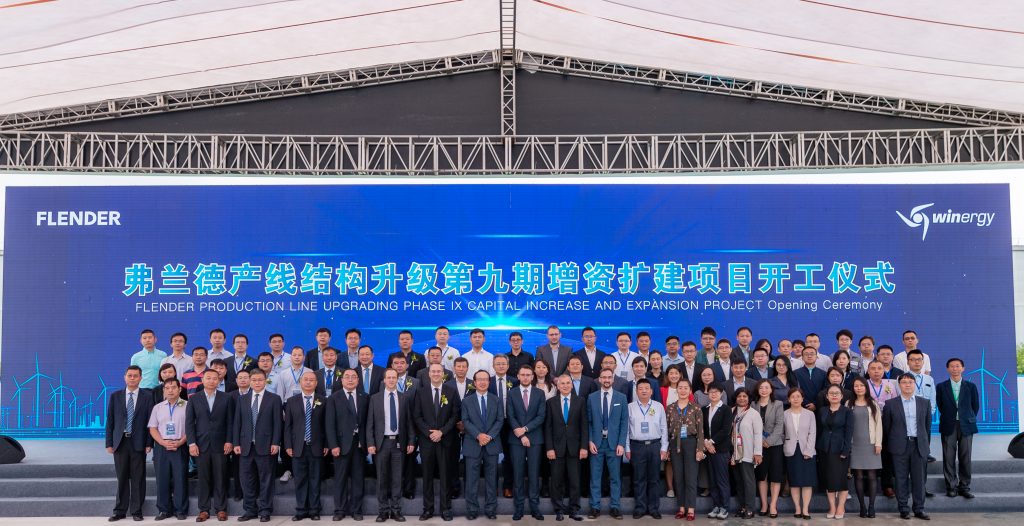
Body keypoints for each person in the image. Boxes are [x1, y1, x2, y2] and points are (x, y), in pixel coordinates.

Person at [232, 369, 283, 522]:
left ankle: (265, 510)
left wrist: (276, 442)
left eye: (260, 380)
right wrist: (236, 443)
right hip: (246, 446)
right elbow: (237, 423)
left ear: (265, 380)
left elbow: (277, 423)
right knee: (246, 480)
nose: (257, 383)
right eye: (254, 380)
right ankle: (250, 510)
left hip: (266, 446)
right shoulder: (242, 399)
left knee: (266, 480)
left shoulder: (274, 399)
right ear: (249, 381)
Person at [106, 365, 155, 522]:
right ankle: (119, 510)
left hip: (139, 443)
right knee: (122, 477)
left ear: (141, 378)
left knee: (138, 477)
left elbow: (150, 422)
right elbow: (110, 421)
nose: (132, 378)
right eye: (130, 375)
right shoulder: (115, 396)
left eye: (135, 376)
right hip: (120, 442)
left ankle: (136, 510)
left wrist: (149, 443)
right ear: (124, 377)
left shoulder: (147, 397)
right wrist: (109, 443)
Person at [412, 364, 460, 522]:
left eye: (439, 371)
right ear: (428, 373)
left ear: (444, 374)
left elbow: (455, 415)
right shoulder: (420, 392)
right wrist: (429, 433)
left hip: (445, 440)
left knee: (445, 476)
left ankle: (446, 509)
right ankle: (428, 509)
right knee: (427, 477)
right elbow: (417, 416)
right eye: (433, 371)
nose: (436, 374)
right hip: (427, 442)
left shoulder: (451, 392)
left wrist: (442, 432)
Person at [366, 368, 414, 523]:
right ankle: (382, 511)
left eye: (394, 377)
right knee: (382, 478)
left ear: (397, 380)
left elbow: (409, 423)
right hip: (381, 443)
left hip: (399, 443)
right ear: (384, 380)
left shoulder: (404, 398)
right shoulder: (375, 398)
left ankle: (396, 510)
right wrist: (371, 443)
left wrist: (412, 441)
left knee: (397, 479)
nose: (392, 380)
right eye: (389, 377)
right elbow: (370, 424)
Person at [883, 374, 932, 520]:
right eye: (904, 382)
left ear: (915, 384)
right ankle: (903, 508)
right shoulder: (891, 403)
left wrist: (925, 444)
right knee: (901, 478)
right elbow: (887, 427)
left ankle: (919, 509)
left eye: (910, 382)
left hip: (918, 446)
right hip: (899, 447)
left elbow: (927, 426)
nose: (907, 385)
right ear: (899, 385)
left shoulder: (924, 402)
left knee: (919, 480)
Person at [186, 369, 233, 522]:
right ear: (203, 380)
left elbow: (230, 422)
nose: (212, 380)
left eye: (215, 378)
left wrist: (229, 440)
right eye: (208, 378)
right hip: (201, 444)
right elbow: (189, 423)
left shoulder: (226, 398)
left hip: (221, 444)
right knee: (203, 478)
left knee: (220, 477)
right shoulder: (194, 399)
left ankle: (221, 509)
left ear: (219, 381)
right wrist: (192, 443)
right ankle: (204, 510)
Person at [326, 369, 369, 520]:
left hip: (359, 445)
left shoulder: (364, 397)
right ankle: (339, 510)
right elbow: (329, 424)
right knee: (340, 479)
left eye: (353, 377)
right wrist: (333, 445)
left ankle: (357, 510)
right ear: (342, 380)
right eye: (347, 377)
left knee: (358, 479)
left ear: (358, 380)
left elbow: (367, 423)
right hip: (341, 445)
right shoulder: (333, 398)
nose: (350, 380)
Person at [284, 370, 327, 521]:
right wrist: (288, 445)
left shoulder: (323, 400)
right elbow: (288, 426)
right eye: (305, 380)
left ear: (316, 383)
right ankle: (301, 510)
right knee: (300, 480)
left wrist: (326, 444)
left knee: (315, 479)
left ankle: (314, 510)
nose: (308, 382)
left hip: (317, 446)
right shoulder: (291, 401)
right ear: (300, 383)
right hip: (298, 447)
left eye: (311, 380)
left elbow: (326, 425)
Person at [545, 374, 588, 521]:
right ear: (557, 386)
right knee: (556, 481)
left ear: (572, 385)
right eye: (562, 383)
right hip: (556, 449)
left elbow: (584, 426)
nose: (564, 385)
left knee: (575, 481)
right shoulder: (550, 402)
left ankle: (574, 510)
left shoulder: (580, 401)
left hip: (575, 448)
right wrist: (549, 448)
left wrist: (584, 447)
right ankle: (558, 509)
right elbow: (548, 427)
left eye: (567, 383)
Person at [586, 368, 628, 519]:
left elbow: (624, 423)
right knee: (595, 477)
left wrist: (621, 443)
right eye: (603, 377)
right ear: (599, 379)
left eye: (609, 377)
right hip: (597, 443)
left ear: (613, 379)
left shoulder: (621, 398)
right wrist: (590, 440)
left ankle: (615, 507)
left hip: (614, 444)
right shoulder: (591, 397)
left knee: (615, 477)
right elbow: (589, 422)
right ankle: (595, 507)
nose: (606, 380)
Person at [936, 357, 980, 499]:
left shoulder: (971, 386)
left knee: (965, 457)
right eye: (952, 366)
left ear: (963, 368)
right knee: (948, 457)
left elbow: (975, 406)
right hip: (949, 424)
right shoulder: (941, 387)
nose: (955, 369)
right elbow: (940, 405)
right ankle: (951, 487)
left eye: (958, 366)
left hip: (966, 424)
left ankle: (964, 486)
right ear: (948, 369)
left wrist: (965, 417)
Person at [626, 378, 668, 519]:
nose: (644, 391)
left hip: (655, 445)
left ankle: (654, 508)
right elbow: (626, 430)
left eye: (646, 388)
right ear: (636, 391)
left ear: (651, 391)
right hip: (636, 446)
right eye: (640, 388)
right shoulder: (630, 407)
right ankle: (640, 507)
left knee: (654, 479)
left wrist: (664, 447)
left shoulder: (658, 406)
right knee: (639, 479)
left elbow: (664, 428)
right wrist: (627, 448)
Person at [508, 364, 546, 521]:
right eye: (522, 374)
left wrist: (525, 430)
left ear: (532, 377)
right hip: (516, 439)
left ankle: (534, 506)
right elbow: (510, 415)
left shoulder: (540, 393)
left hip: (535, 439)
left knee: (533, 473)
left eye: (528, 375)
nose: (525, 377)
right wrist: (520, 433)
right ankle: (519, 508)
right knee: (517, 474)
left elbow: (541, 416)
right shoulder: (512, 393)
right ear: (518, 376)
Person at [463, 370, 503, 520]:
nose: (482, 382)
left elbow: (500, 420)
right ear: (474, 382)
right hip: (473, 443)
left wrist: (489, 436)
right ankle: (472, 510)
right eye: (479, 379)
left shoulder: (496, 400)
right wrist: (478, 435)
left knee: (492, 479)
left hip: (492, 444)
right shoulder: (467, 400)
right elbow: (465, 421)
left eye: (485, 379)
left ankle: (491, 509)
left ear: (489, 382)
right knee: (471, 480)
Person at [148, 377, 189, 520]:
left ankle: (180, 510)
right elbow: (153, 428)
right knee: (162, 479)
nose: (170, 390)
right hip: (162, 447)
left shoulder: (187, 405)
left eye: (173, 387)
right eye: (167, 388)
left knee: (180, 479)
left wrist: (180, 442)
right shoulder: (157, 407)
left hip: (180, 446)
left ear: (180, 389)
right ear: (163, 390)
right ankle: (164, 510)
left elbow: (191, 428)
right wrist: (163, 443)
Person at [667, 379, 704, 521]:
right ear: (677, 390)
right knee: (679, 476)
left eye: (685, 388)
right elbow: (666, 429)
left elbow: (701, 431)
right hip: (675, 443)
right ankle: (681, 508)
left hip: (691, 442)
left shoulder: (696, 408)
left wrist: (699, 449)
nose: (683, 390)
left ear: (690, 390)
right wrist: (668, 448)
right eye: (680, 388)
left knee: (691, 477)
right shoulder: (670, 408)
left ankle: (691, 509)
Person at [847, 377, 883, 518]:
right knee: (859, 476)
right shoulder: (848, 403)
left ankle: (872, 507)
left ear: (866, 387)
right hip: (854, 444)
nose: (859, 388)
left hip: (871, 444)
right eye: (856, 386)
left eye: (862, 385)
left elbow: (878, 424)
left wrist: (878, 443)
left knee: (872, 476)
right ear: (853, 388)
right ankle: (862, 507)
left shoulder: (873, 404)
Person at [817, 384, 854, 519]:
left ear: (842, 396)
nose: (834, 395)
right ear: (827, 396)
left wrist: (846, 450)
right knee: (829, 479)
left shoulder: (847, 411)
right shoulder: (822, 410)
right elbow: (820, 429)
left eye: (836, 393)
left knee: (840, 479)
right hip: (824, 447)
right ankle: (832, 506)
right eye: (831, 393)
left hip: (840, 449)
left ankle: (840, 507)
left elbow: (849, 432)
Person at [783, 388, 816, 520]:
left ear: (803, 399)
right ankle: (797, 508)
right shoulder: (784, 414)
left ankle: (805, 509)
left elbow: (812, 433)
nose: (795, 399)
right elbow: (782, 432)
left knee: (807, 482)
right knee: (794, 482)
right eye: (793, 397)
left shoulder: (810, 414)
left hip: (806, 451)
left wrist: (809, 450)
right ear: (788, 399)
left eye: (798, 396)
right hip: (791, 450)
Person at [730, 388, 763, 519]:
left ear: (749, 398)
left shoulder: (753, 414)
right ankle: (742, 506)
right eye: (739, 396)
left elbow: (758, 434)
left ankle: (750, 508)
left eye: (744, 396)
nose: (742, 398)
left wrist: (758, 453)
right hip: (734, 453)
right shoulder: (732, 411)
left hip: (748, 452)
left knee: (748, 481)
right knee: (739, 481)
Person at [754, 379, 784, 518]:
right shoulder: (753, 404)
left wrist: (769, 441)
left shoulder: (778, 404)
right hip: (758, 445)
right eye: (761, 388)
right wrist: (760, 441)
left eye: (767, 387)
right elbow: (752, 425)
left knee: (775, 475)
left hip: (775, 444)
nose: (764, 390)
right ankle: (764, 504)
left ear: (771, 390)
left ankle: (773, 505)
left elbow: (780, 425)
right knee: (762, 476)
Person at [489, 354, 517, 498]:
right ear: (493, 366)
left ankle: (508, 486)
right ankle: (492, 488)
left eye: (503, 364)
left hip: (509, 424)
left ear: (508, 365)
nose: (501, 366)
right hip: (491, 425)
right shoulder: (487, 381)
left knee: (509, 456)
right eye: (498, 363)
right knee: (491, 457)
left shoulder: (514, 381)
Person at [703, 384, 731, 520]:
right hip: (709, 450)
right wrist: (706, 443)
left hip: (720, 450)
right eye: (711, 392)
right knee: (712, 480)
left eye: (716, 392)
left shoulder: (726, 410)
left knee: (722, 480)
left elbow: (725, 430)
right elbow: (702, 429)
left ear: (721, 394)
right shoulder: (705, 409)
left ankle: (724, 507)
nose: (713, 394)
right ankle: (716, 505)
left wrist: (711, 442)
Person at [906, 349, 937, 467]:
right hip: (909, 412)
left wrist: (931, 411)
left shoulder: (929, 379)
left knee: (926, 433)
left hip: (925, 413)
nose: (916, 362)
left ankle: (926, 453)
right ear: (908, 362)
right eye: (913, 360)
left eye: (919, 359)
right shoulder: (903, 378)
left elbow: (933, 397)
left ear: (923, 362)